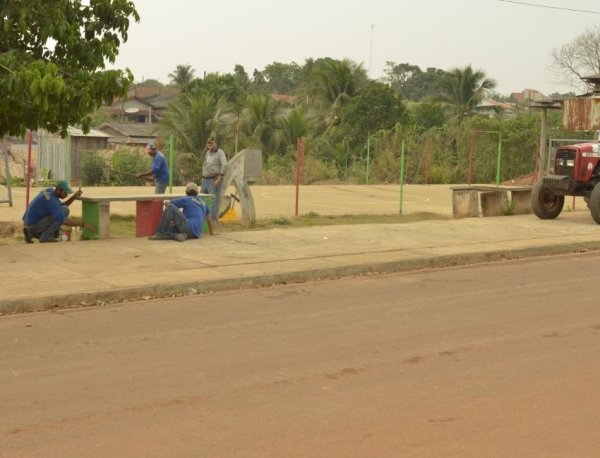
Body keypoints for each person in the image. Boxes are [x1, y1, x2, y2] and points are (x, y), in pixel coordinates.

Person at [22, 180, 95, 243]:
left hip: (28, 223)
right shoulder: (51, 200)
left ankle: (31, 233)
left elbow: (59, 206)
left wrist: (74, 197)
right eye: (65, 193)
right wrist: (84, 224)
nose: (66, 195)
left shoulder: (49, 191)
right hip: (34, 225)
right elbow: (64, 220)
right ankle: (46, 236)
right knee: (65, 210)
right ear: (58, 190)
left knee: (62, 214)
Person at [149, 182, 215, 242]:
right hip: (196, 234)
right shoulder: (203, 202)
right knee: (169, 228)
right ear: (197, 192)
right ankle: (177, 235)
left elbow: (169, 204)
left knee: (171, 207)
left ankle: (160, 233)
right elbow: (209, 219)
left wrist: (166, 204)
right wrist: (212, 233)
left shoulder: (187, 199)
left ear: (186, 192)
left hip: (188, 227)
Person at [201, 137, 227, 224]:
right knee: (202, 200)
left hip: (214, 179)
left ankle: (213, 222)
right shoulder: (208, 153)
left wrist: (219, 179)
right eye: (208, 143)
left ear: (215, 143)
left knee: (213, 201)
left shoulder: (220, 152)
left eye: (211, 143)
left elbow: (224, 165)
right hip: (205, 180)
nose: (210, 144)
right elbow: (205, 165)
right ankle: (204, 221)